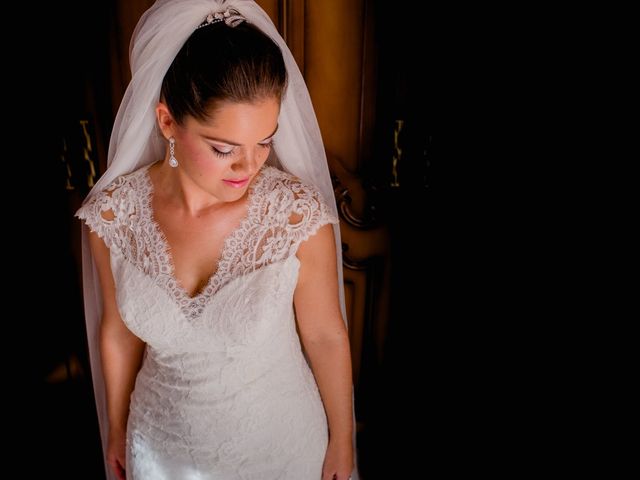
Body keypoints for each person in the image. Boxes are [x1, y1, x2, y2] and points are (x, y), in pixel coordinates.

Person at [75, 1, 358, 479]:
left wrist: (344, 440)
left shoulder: (294, 214)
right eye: (223, 148)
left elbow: (326, 335)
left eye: (265, 141)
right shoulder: (113, 215)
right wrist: (116, 429)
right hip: (159, 450)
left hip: (283, 450)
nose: (250, 168)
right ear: (167, 122)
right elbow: (118, 334)